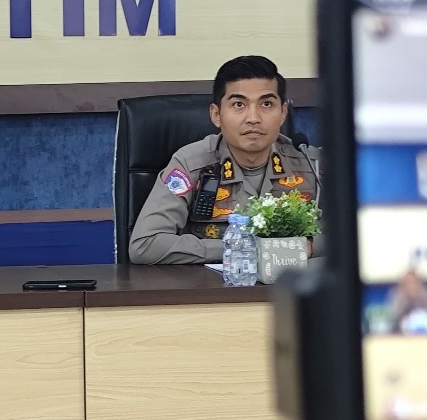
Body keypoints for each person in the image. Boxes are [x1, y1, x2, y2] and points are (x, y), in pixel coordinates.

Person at [129, 55, 323, 264]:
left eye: (266, 104)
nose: (253, 118)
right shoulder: (190, 164)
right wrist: (243, 248)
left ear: (283, 112)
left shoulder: (312, 164)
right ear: (216, 115)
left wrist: (310, 246)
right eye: (239, 104)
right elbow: (145, 245)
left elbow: (348, 235)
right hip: (211, 285)